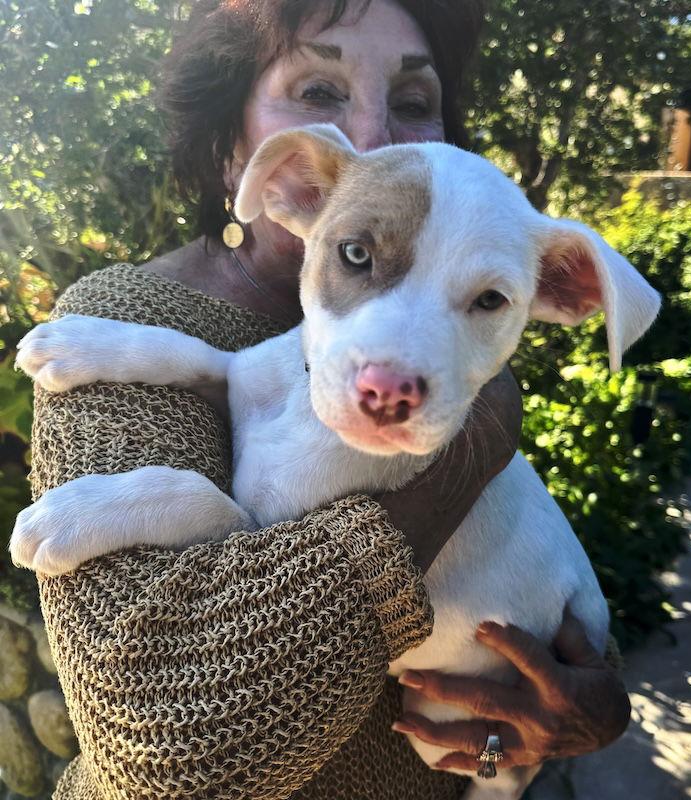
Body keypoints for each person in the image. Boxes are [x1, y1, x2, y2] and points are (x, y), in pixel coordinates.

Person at [31, 1, 630, 798]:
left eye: (413, 101)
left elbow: (560, 635)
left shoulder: (447, 340)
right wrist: (474, 447)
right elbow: (167, 749)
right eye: (318, 91)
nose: (374, 139)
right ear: (256, 150)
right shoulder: (130, 310)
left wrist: (587, 714)